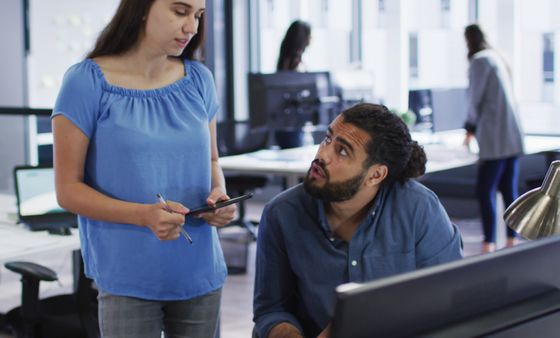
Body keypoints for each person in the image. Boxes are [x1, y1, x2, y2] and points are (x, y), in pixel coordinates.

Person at [52, 0, 235, 337]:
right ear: (140, 8)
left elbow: (211, 160)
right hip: (128, 277)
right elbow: (68, 190)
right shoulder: (86, 82)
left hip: (199, 272)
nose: (192, 28)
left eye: (198, 16)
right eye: (180, 12)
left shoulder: (199, 80)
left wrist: (218, 196)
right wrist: (143, 215)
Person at [253, 103, 464, 338]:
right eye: (327, 139)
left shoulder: (419, 209)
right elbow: (271, 309)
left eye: (342, 151)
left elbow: (451, 298)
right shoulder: (281, 214)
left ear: (375, 175)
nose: (323, 154)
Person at [463, 24, 524, 253]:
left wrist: (469, 127)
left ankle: (488, 243)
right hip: (511, 134)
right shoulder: (497, 57)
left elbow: (474, 97)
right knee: (509, 190)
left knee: (484, 190)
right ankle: (511, 239)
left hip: (495, 137)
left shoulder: (479, 61)